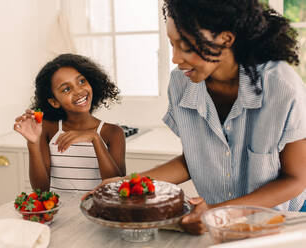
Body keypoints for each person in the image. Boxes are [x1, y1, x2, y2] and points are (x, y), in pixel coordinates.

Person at [86, 0, 306, 234]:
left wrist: (218, 212)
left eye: (186, 46)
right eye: (172, 44)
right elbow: (193, 160)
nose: (175, 58)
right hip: (218, 220)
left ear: (226, 39)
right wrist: (130, 183)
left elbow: (295, 179)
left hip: (282, 221)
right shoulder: (181, 83)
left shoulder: (281, 85)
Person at [14, 53, 126, 193]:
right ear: (54, 102)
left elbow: (117, 187)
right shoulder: (49, 129)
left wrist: (95, 138)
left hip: (97, 212)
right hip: (60, 213)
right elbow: (40, 190)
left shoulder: (112, 133)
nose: (79, 91)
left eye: (82, 81)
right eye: (66, 89)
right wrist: (33, 144)